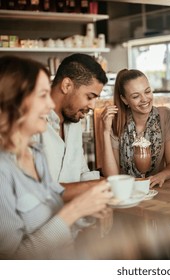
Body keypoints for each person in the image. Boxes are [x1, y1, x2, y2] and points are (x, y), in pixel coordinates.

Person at [0, 56, 112, 259]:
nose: (50, 103)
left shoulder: (35, 154)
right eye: (42, 95)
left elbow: (51, 206)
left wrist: (89, 209)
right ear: (15, 102)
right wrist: (77, 208)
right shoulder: (4, 169)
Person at [32, 53, 108, 201]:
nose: (93, 106)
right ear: (67, 85)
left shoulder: (74, 122)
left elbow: (80, 173)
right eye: (89, 97)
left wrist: (112, 184)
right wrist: (91, 187)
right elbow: (31, 190)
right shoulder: (30, 123)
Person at [101, 69, 170, 188]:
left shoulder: (164, 116)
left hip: (156, 190)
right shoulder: (117, 122)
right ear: (124, 99)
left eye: (147, 91)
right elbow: (112, 176)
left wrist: (162, 175)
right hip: (126, 191)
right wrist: (106, 132)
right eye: (136, 96)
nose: (144, 99)